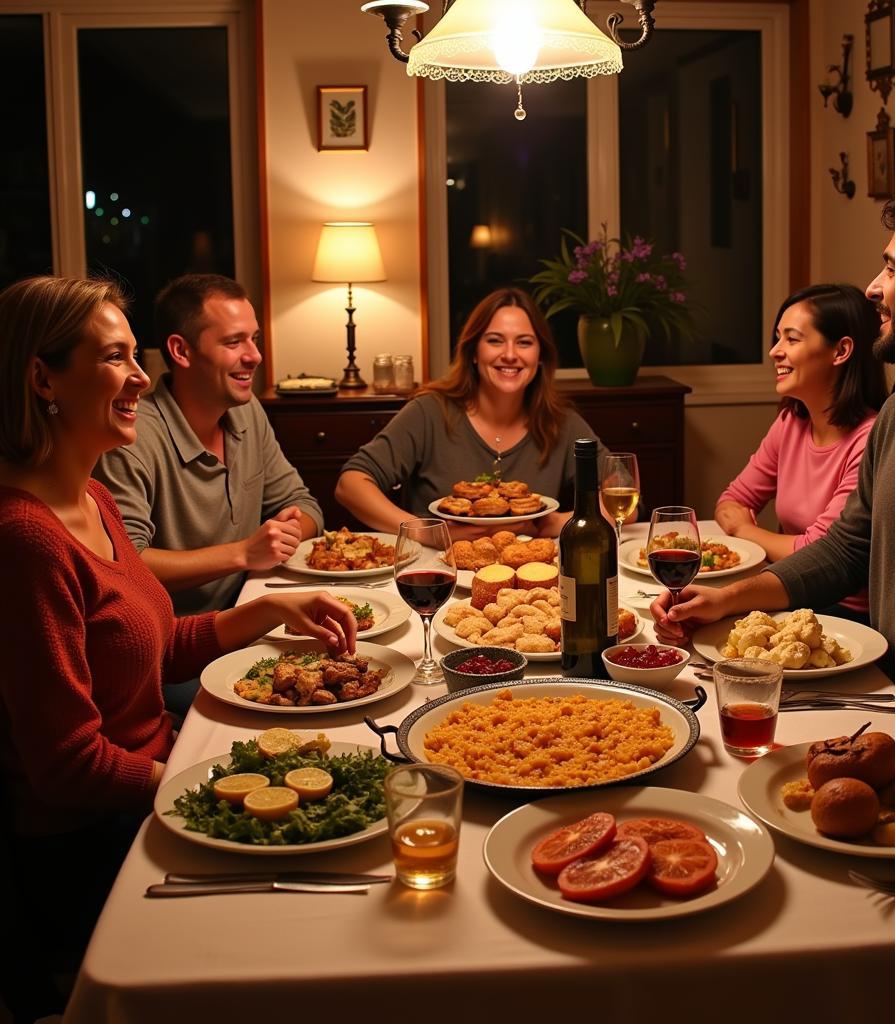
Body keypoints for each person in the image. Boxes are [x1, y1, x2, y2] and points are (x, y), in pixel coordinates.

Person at [0, 276, 356, 1021]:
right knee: (313, 935)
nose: (138, 378)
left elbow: (154, 650)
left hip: (148, 784)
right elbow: (67, 767)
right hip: (89, 847)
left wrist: (275, 610)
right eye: (114, 358)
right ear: (42, 378)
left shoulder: (91, 498)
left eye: (135, 356)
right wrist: (204, 780)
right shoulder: (26, 538)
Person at [653, 176, 895, 811]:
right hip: (883, 710)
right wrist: (725, 599)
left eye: (890, 268)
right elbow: (848, 551)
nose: (874, 289)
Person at [93, 273, 323, 617]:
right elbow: (127, 563)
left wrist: (284, 534)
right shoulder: (131, 438)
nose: (255, 356)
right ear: (180, 351)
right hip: (178, 645)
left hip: (248, 610)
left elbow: (304, 504)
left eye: (254, 339)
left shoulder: (247, 412)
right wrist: (244, 553)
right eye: (234, 343)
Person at [335, 286, 610, 540]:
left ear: (540, 356)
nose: (510, 354)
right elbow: (350, 484)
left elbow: (623, 490)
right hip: (438, 577)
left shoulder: (560, 421)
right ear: (474, 352)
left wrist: (560, 522)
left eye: (524, 342)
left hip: (531, 576)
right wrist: (424, 532)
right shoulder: (430, 412)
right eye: (495, 340)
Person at [715, 284, 887, 623]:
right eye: (777, 338)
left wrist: (745, 531)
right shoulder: (791, 422)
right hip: (786, 593)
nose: (774, 352)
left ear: (841, 351)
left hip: (843, 614)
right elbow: (732, 499)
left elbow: (821, 553)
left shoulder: (871, 439)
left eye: (792, 339)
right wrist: (765, 537)